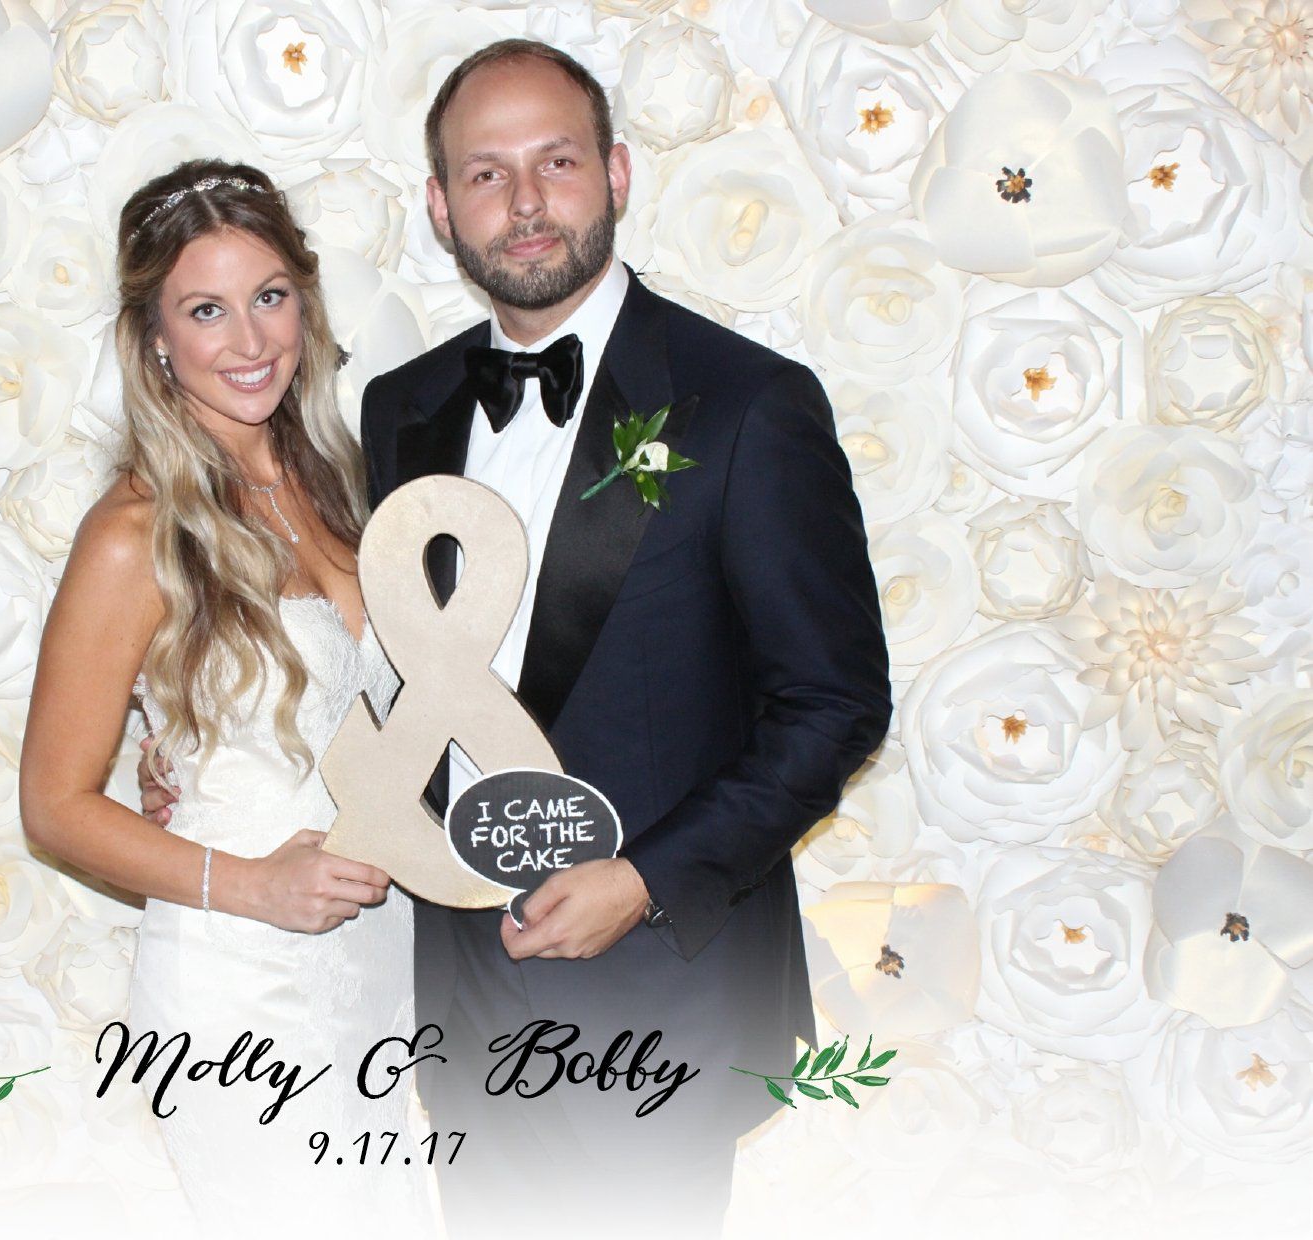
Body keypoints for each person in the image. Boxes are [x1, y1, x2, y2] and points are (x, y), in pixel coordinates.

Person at [146, 38, 892, 1240]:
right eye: (485, 173)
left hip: (656, 989)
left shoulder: (748, 404)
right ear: (441, 208)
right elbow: (381, 657)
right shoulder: (400, 407)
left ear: (616, 173)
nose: (526, 201)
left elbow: (832, 702)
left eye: (556, 161)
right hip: (448, 985)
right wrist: (199, 745)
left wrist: (642, 881)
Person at [18, 158, 440, 1240]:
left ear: (305, 300)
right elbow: (53, 806)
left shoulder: (340, 483)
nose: (249, 341)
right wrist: (250, 883)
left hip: (375, 960)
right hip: (241, 979)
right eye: (205, 309)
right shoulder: (132, 533)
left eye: (269, 296)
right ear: (155, 336)